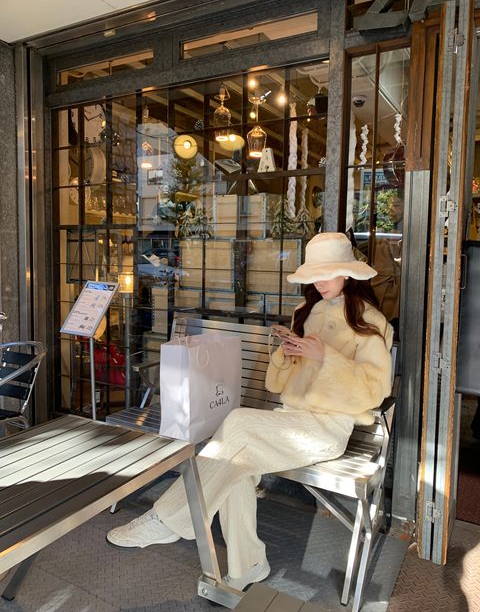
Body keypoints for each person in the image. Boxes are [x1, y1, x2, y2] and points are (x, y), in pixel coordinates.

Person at [106, 232, 393, 591]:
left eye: (327, 273)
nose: (319, 282)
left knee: (238, 424)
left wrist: (327, 359)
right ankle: (249, 566)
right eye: (314, 274)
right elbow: (278, 383)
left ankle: (167, 518)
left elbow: (374, 391)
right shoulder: (307, 312)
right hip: (290, 419)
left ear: (347, 272)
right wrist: (287, 353)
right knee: (235, 469)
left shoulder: (371, 322)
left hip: (327, 430)